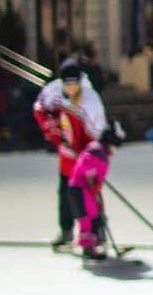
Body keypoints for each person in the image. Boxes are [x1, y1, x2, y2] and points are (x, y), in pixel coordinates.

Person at [34, 61, 107, 249]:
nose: (71, 88)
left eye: (74, 84)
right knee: (65, 193)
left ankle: (97, 230)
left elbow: (99, 131)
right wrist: (51, 128)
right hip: (67, 154)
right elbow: (40, 108)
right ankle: (66, 229)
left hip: (87, 156)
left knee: (90, 194)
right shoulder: (54, 91)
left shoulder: (91, 100)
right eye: (67, 84)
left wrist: (90, 153)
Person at [69, 124, 121, 260]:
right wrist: (94, 184)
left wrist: (97, 187)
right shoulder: (97, 152)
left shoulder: (101, 151)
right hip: (80, 188)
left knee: (94, 215)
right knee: (88, 217)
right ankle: (88, 248)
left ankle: (92, 245)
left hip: (86, 189)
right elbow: (87, 169)